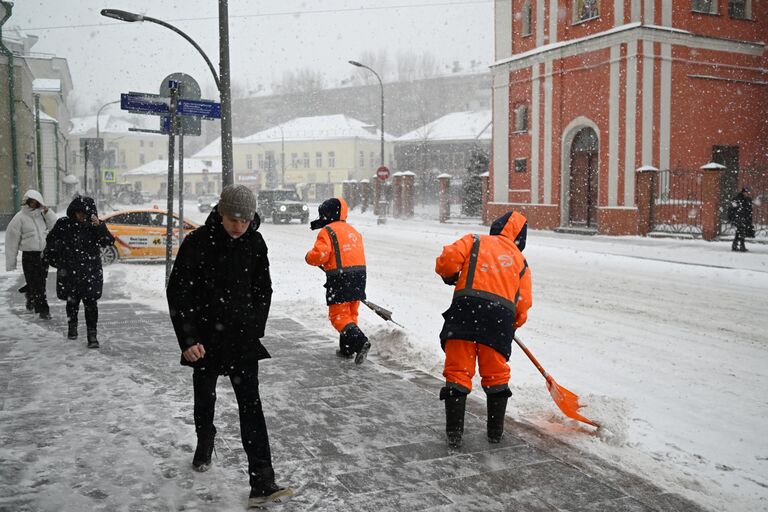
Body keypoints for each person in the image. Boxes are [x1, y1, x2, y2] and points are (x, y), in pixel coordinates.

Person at [166, 185, 292, 508]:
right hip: (204, 342)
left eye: (245, 220)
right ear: (220, 213)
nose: (239, 226)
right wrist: (188, 339)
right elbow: (178, 292)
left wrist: (254, 328)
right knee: (204, 397)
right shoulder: (198, 243)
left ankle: (262, 480)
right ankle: (205, 440)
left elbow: (263, 288)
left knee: (251, 406)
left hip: (240, 342)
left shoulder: (255, 243)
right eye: (233, 219)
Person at [434, 211, 532, 448]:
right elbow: (523, 303)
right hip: (498, 322)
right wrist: (512, 323)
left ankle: (454, 432)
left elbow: (447, 259)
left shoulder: (475, 241)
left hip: (464, 313)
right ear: (521, 238)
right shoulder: (520, 262)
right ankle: (495, 431)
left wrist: (450, 275)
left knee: (458, 370)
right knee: (496, 373)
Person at [305, 197, 370, 364]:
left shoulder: (328, 231)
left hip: (340, 278)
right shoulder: (352, 230)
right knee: (350, 314)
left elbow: (320, 254)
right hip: (360, 276)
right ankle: (347, 349)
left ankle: (360, 341)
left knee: (338, 316)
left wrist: (309, 257)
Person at [44, 196, 114, 347]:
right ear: (73, 211)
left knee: (91, 304)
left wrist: (100, 226)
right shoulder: (64, 224)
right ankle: (72, 327)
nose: (81, 215)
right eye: (79, 212)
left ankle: (92, 335)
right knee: (72, 303)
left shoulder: (94, 226)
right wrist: (58, 262)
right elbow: (50, 243)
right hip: (70, 273)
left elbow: (108, 241)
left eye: (85, 213)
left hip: (90, 273)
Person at [5, 190, 58, 319]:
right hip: (29, 256)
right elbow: (11, 240)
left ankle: (31, 294)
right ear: (27, 202)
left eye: (36, 202)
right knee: (36, 283)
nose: (33, 204)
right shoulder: (19, 218)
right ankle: (43, 309)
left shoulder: (42, 215)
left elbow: (56, 227)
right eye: (31, 201)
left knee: (40, 283)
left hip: (42, 255)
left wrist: (48, 212)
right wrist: (11, 262)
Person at [728, 187, 755, 252]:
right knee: (742, 232)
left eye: (747, 192)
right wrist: (733, 218)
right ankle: (742, 246)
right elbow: (731, 209)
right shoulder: (737, 199)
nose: (747, 194)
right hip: (738, 218)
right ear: (742, 192)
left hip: (745, 218)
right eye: (745, 192)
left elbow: (749, 210)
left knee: (739, 232)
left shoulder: (748, 200)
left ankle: (734, 245)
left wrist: (749, 219)